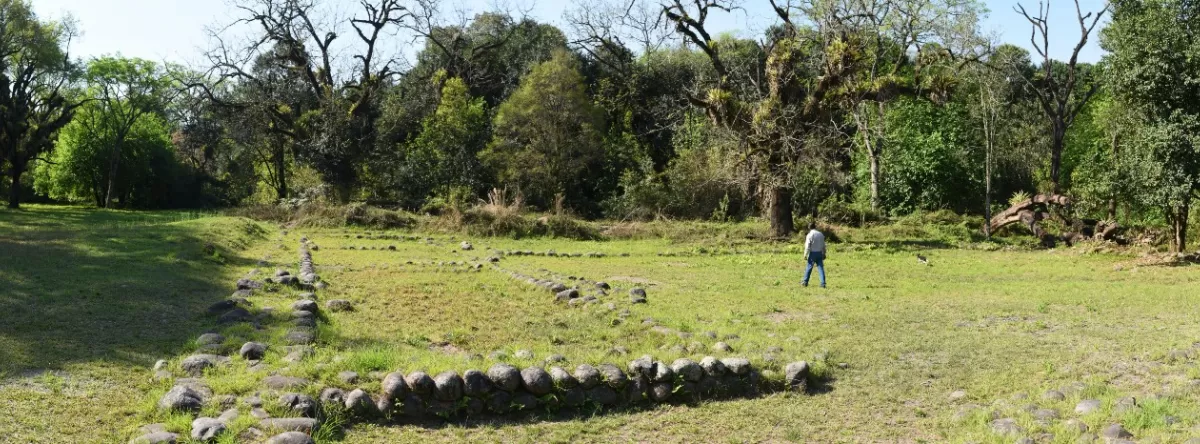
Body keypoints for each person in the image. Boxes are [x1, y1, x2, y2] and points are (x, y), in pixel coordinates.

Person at [802, 221, 827, 288]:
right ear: (815, 227)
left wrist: (805, 254)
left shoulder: (809, 235)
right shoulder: (820, 234)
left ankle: (805, 281)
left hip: (813, 253)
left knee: (809, 267)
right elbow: (823, 245)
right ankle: (823, 283)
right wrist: (824, 253)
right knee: (820, 268)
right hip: (819, 253)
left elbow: (807, 246)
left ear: (809, 227)